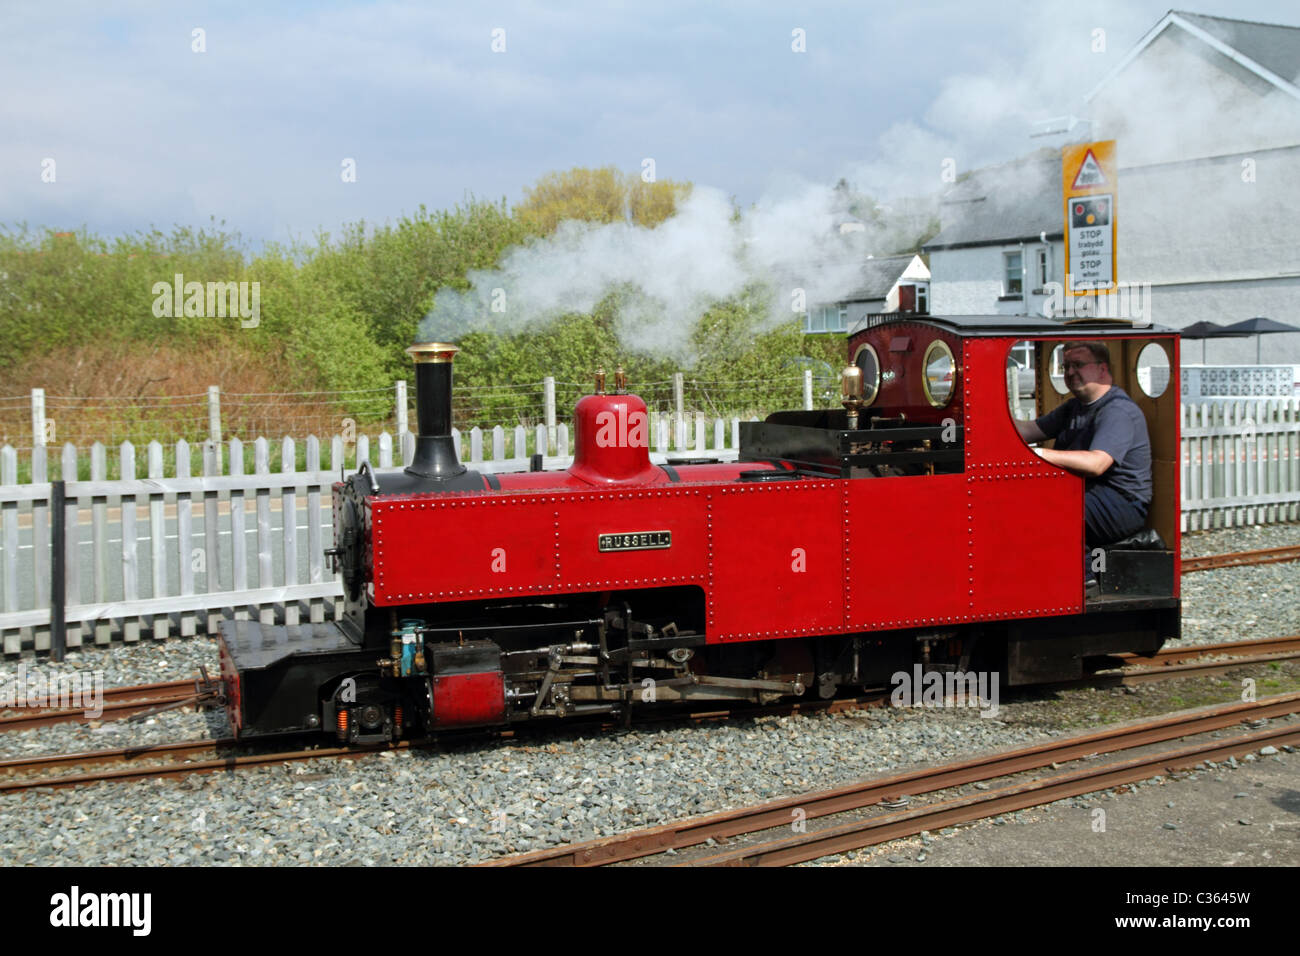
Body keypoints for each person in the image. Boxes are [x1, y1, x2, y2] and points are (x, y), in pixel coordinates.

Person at [1015, 341, 1153, 588]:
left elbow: (1097, 462)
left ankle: (1086, 579)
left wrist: (1040, 454)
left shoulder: (1118, 410)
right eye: (1066, 366)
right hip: (1090, 493)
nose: (1069, 373)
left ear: (1102, 368)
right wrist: (991, 419)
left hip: (1122, 502)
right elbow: (1030, 429)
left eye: (1078, 365)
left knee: (1054, 505)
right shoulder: (1074, 407)